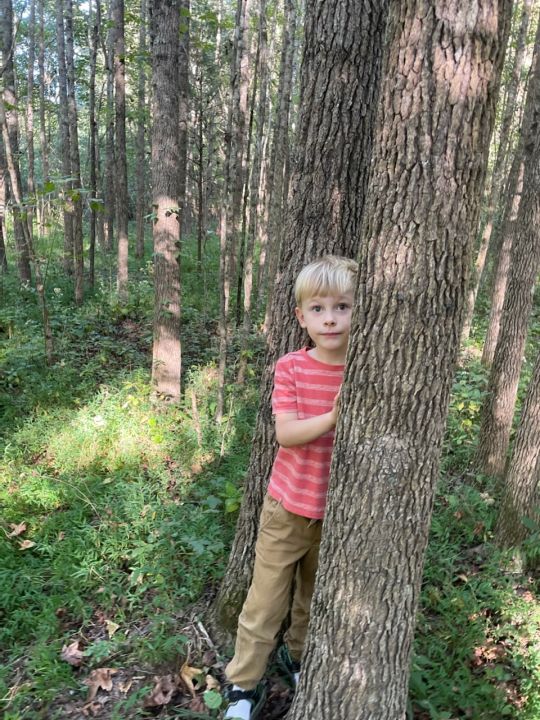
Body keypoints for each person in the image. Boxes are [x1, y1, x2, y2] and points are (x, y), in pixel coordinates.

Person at [223, 255, 358, 720]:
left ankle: (297, 658)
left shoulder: (364, 369)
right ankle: (242, 686)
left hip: (338, 513)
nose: (330, 319)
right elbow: (286, 433)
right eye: (318, 309)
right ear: (301, 317)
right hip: (287, 508)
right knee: (264, 602)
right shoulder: (293, 367)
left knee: (312, 599)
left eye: (342, 306)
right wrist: (335, 416)